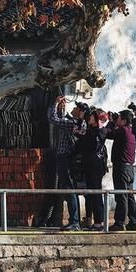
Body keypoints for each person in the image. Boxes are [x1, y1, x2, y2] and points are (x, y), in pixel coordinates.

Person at [47, 96, 88, 231]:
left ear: (81, 112)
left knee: (69, 190)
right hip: (70, 159)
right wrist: (61, 108)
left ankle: (74, 221)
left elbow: (54, 119)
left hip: (65, 158)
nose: (74, 109)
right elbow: (63, 118)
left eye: (76, 108)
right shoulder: (78, 124)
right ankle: (74, 220)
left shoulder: (72, 124)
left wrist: (55, 103)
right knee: (71, 190)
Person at [105, 109, 136, 232]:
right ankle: (133, 221)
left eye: (119, 118)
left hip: (121, 167)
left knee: (121, 195)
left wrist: (110, 122)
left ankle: (119, 222)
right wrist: (115, 122)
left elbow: (108, 134)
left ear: (124, 120)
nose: (117, 120)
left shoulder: (123, 131)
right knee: (129, 195)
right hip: (130, 167)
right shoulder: (132, 130)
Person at [82, 108, 109, 230]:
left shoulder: (100, 131)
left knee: (96, 193)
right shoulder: (92, 130)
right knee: (90, 193)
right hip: (89, 164)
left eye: (92, 117)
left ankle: (99, 221)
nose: (89, 119)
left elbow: (93, 144)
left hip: (96, 165)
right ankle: (91, 219)